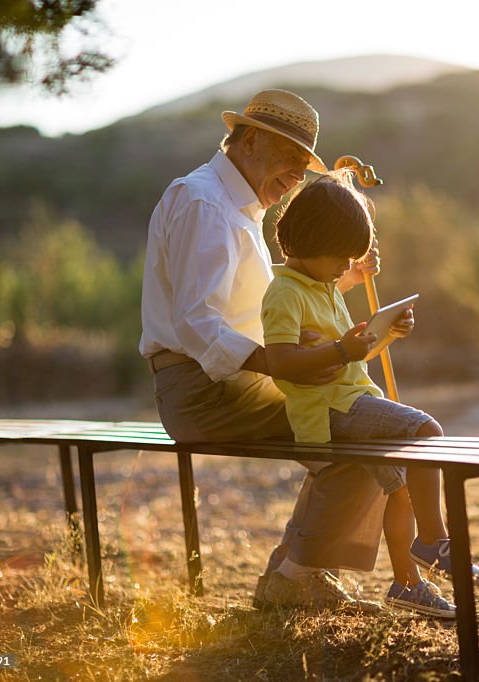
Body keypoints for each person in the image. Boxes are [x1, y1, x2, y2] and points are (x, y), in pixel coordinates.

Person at [139, 89, 388, 610]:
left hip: (226, 383)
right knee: (360, 429)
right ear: (250, 141)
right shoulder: (204, 201)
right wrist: (275, 363)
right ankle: (295, 578)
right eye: (293, 162)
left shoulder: (235, 204)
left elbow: (262, 308)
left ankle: (295, 574)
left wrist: (337, 276)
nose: (298, 178)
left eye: (305, 167)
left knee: (357, 426)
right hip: (203, 392)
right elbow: (197, 321)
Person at [260, 172, 479, 618]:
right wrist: (344, 348)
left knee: (400, 489)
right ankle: (433, 540)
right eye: (339, 257)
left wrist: (383, 336)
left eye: (351, 258)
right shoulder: (284, 294)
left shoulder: (322, 288)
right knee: (425, 429)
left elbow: (348, 358)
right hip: (328, 410)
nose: (347, 267)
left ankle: (406, 582)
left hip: (348, 398)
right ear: (306, 242)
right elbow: (280, 364)